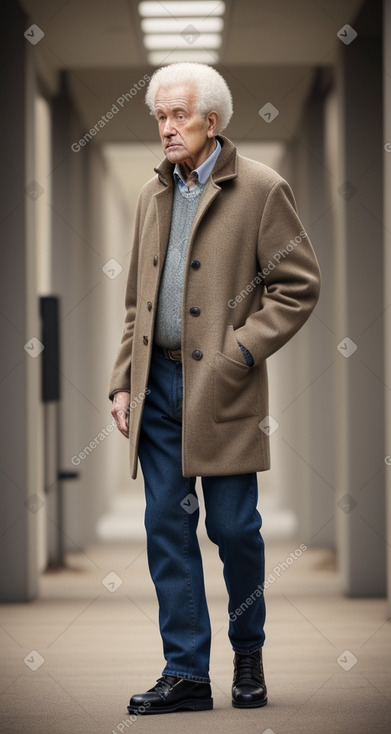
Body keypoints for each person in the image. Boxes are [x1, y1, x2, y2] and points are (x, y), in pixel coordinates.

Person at [109, 62, 321, 715]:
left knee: (234, 530)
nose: (166, 128)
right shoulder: (151, 194)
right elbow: (135, 305)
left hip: (224, 391)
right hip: (158, 391)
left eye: (177, 115)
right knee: (166, 532)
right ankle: (187, 675)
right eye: (159, 117)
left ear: (212, 120)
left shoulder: (260, 188)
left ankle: (247, 653)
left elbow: (297, 286)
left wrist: (238, 352)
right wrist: (123, 382)